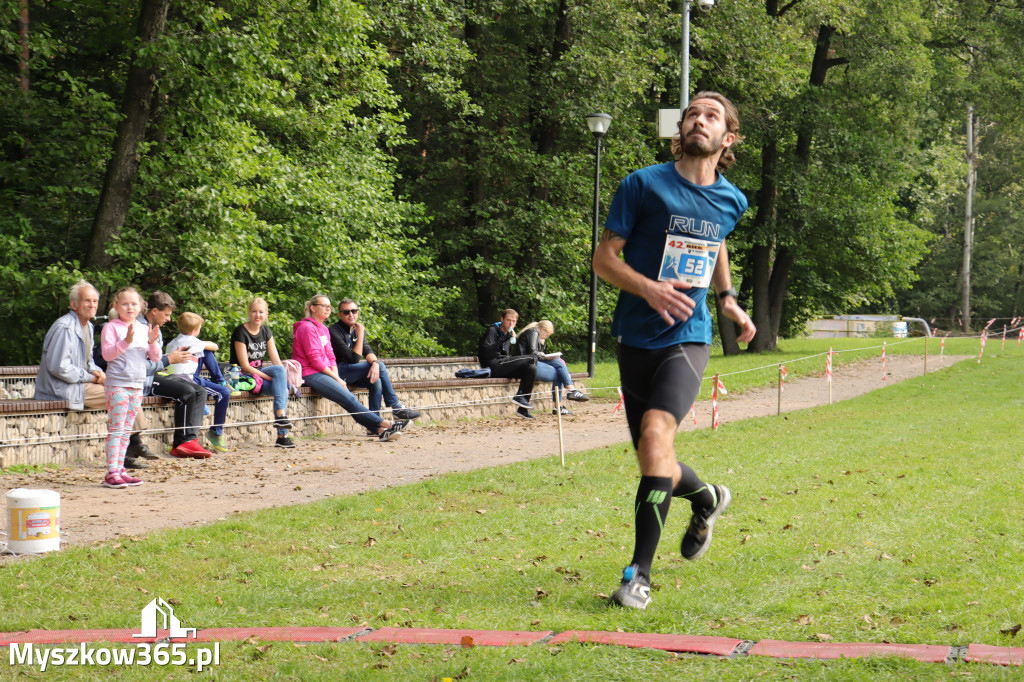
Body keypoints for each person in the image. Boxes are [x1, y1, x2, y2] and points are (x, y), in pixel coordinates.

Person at [593, 92, 756, 609]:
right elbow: (603, 259)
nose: (698, 121)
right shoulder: (642, 184)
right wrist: (648, 288)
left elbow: (718, 238)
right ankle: (707, 498)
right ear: (680, 129)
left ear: (726, 138)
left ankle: (638, 574)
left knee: (656, 434)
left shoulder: (733, 198)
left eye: (711, 117)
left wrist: (727, 299)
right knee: (651, 454)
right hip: (635, 334)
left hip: (688, 336)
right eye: (692, 114)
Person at [36, 280, 157, 469]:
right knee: (122, 395)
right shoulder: (65, 327)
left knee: (127, 393)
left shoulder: (88, 326)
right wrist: (91, 377)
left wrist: (96, 372)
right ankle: (128, 451)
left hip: (78, 383)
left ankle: (129, 448)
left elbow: (88, 360)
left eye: (94, 301)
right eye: (86, 301)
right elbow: (59, 367)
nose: (92, 305)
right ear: (73, 304)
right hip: (61, 387)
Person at [293, 294, 406, 442]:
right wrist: (337, 378)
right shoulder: (307, 328)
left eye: (329, 306)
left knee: (349, 399)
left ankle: (379, 430)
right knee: (349, 399)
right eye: (324, 306)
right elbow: (315, 361)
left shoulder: (323, 329)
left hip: (325, 372)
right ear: (313, 308)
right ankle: (387, 424)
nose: (328, 309)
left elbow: (330, 356)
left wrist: (337, 376)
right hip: (310, 373)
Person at [98, 287, 162, 488]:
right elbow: (107, 355)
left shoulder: (144, 328)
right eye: (125, 303)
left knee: (127, 430)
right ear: (116, 305)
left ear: (141, 306)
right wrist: (126, 341)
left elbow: (156, 357)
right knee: (117, 429)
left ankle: (121, 469)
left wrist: (152, 342)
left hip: (136, 386)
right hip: (117, 384)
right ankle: (112, 472)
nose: (130, 307)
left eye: (134, 304)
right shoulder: (111, 328)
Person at [138, 291, 214, 459]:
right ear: (154, 311)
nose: (169, 319)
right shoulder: (139, 329)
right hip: (144, 380)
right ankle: (181, 442)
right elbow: (139, 367)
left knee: (199, 390)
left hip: (155, 375)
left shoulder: (156, 330)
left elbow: (156, 360)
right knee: (186, 392)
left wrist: (171, 358)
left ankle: (190, 439)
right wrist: (169, 360)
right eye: (166, 314)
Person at [328, 298, 422, 432]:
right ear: (339, 315)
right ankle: (395, 407)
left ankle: (374, 425)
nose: (351, 314)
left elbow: (368, 351)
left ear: (358, 312)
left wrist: (375, 364)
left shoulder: (356, 329)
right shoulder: (334, 331)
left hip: (352, 372)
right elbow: (353, 359)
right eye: (346, 312)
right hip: (337, 372)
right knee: (380, 367)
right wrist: (360, 335)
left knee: (376, 381)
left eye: (354, 311)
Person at [230, 297, 295, 448]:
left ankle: (282, 434)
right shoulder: (241, 332)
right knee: (279, 377)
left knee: (282, 388)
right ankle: (282, 430)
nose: (257, 315)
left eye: (261, 312)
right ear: (248, 312)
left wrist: (282, 379)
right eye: (254, 311)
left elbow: (276, 360)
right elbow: (245, 366)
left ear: (266, 313)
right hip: (241, 376)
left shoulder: (266, 331)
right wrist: (270, 377)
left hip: (257, 376)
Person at [166, 312, 232, 453]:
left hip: (175, 376)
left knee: (205, 352)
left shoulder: (172, 343)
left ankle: (214, 388)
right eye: (199, 328)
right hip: (186, 378)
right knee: (224, 393)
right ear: (193, 331)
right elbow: (215, 346)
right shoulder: (193, 342)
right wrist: (202, 343)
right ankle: (216, 431)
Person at [517, 320, 590, 415]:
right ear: (543, 329)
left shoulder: (536, 334)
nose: (547, 337)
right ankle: (568, 394)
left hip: (532, 362)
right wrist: (541, 352)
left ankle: (563, 401)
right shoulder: (533, 332)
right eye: (547, 335)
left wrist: (542, 345)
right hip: (528, 364)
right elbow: (532, 353)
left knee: (558, 363)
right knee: (559, 370)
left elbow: (535, 353)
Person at [477, 309, 538, 419]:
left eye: (514, 321)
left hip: (502, 364)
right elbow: (487, 353)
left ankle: (522, 409)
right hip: (492, 365)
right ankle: (519, 396)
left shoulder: (508, 334)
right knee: (532, 357)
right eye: (508, 320)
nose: (511, 324)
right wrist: (505, 338)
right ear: (501, 319)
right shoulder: (492, 330)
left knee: (531, 368)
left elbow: (505, 354)